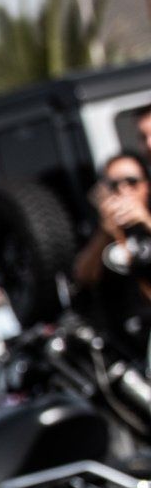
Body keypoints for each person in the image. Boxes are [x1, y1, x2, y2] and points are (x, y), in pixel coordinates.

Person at [72, 150, 151, 364]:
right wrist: (105, 233)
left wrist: (145, 221)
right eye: (114, 184)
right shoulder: (97, 231)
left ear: (147, 185)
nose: (124, 190)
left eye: (132, 182)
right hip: (125, 350)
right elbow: (83, 276)